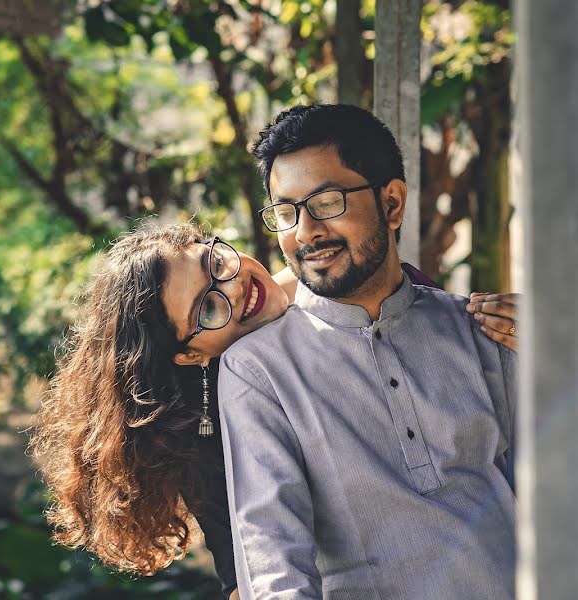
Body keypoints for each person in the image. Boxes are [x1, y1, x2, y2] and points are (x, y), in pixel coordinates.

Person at [215, 104, 518, 599]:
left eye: (327, 202)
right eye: (287, 211)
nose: (305, 231)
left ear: (393, 203)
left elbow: (566, 500)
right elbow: (273, 560)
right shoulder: (259, 370)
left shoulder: (481, 332)